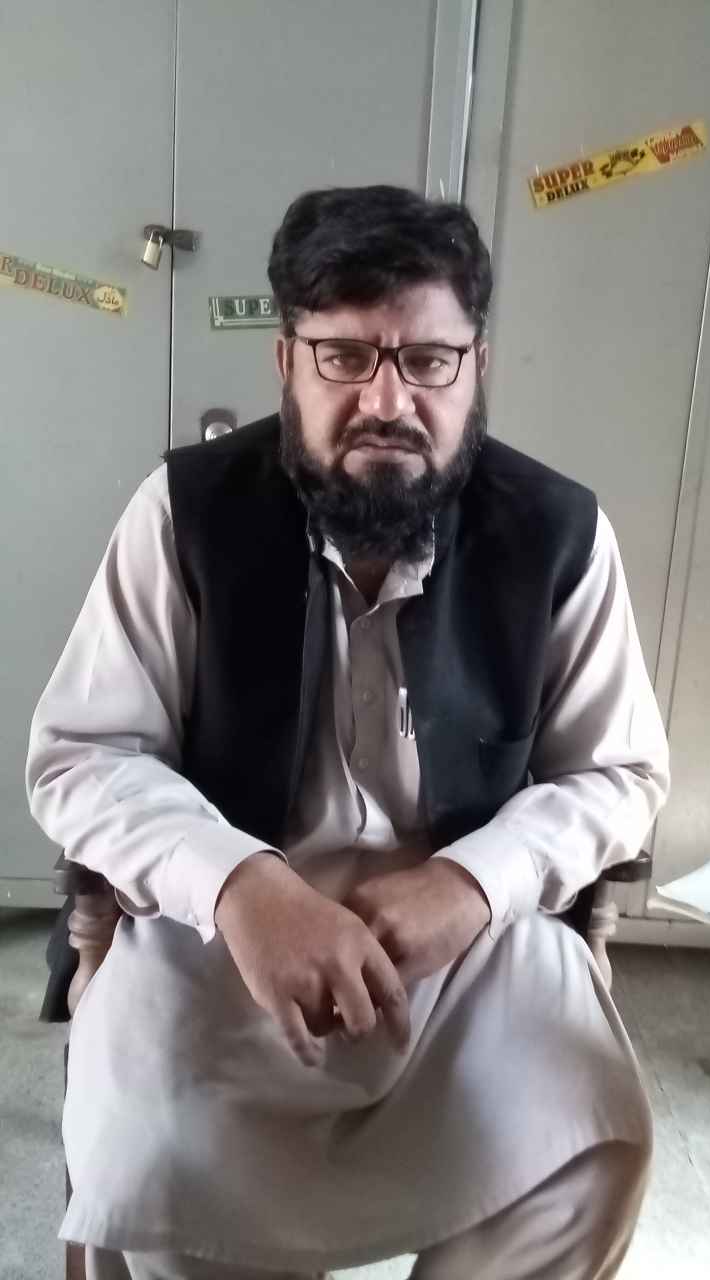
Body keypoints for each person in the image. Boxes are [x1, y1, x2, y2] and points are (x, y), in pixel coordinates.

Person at [26, 185, 670, 1280]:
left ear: (475, 367)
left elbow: (619, 771)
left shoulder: (557, 532)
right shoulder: (185, 512)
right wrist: (243, 886)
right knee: (160, 1167)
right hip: (217, 939)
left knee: (590, 1140)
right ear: (287, 361)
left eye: (428, 360)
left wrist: (472, 882)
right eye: (346, 357)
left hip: (466, 948)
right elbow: (84, 754)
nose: (388, 399)